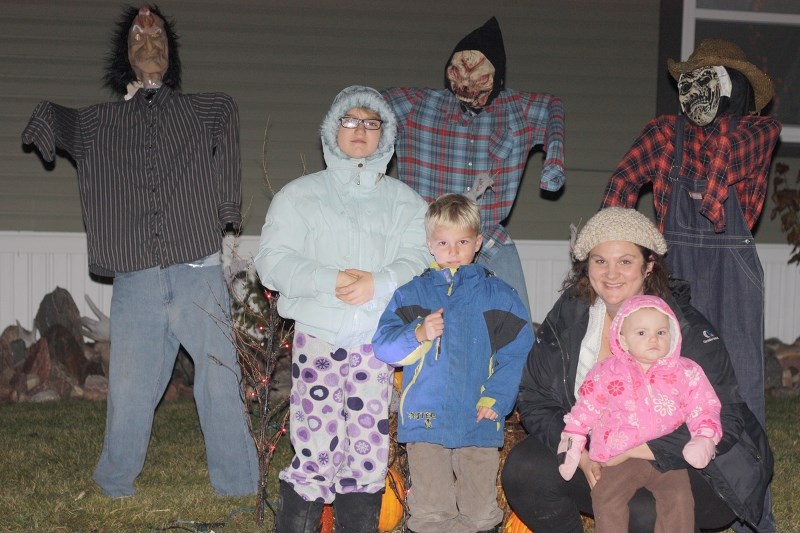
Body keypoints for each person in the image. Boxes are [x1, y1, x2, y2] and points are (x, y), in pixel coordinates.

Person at [20, 5, 258, 498]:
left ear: (171, 54)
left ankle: (237, 486)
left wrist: (227, 203)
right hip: (136, 278)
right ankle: (114, 483)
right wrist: (43, 126)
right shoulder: (99, 123)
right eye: (136, 36)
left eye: (157, 36)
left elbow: (230, 112)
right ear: (125, 56)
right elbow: (54, 120)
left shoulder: (203, 109)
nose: (147, 41)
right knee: (128, 386)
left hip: (198, 269)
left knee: (219, 378)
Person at [500, 207, 773, 533]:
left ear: (649, 265)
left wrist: (631, 450)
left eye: (625, 261)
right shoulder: (571, 314)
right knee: (523, 469)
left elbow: (726, 418)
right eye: (600, 260)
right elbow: (535, 395)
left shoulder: (680, 326)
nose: (611, 273)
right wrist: (582, 453)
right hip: (601, 453)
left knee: (642, 510)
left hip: (692, 466)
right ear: (586, 265)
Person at [601, 41, 781, 531]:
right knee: (665, 378)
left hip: (732, 270)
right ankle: (681, 491)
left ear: (735, 91)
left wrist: (717, 106)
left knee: (739, 387)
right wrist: (614, 246)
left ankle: (750, 515)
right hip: (673, 266)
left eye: (713, 81)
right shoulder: (662, 131)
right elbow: (621, 183)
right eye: (695, 81)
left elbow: (720, 179)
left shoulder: (759, 131)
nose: (699, 93)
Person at [254, 85, 429, 533]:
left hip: (375, 344)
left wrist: (378, 282)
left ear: (385, 136)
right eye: (350, 121)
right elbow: (273, 262)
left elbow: (418, 259)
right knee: (315, 446)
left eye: (372, 123)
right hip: (320, 338)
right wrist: (329, 279)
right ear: (333, 129)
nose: (360, 131)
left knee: (367, 450)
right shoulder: (299, 196)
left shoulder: (406, 202)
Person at [382, 16, 566, 316]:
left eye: (479, 76)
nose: (467, 83)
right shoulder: (417, 105)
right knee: (407, 319)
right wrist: (363, 168)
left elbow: (552, 107)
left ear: (498, 78)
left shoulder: (517, 110)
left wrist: (553, 167)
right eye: (459, 72)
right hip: (427, 240)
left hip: (487, 238)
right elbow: (365, 106)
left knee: (515, 321)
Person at [372, 193, 534, 533]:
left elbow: (518, 351)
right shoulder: (411, 294)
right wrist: (418, 332)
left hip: (478, 413)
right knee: (431, 506)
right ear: (430, 245)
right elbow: (383, 346)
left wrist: (497, 398)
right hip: (424, 415)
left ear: (477, 243)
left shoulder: (498, 295)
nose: (453, 251)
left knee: (478, 507)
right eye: (444, 242)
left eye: (462, 241)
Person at [558, 294, 722, 533]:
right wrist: (572, 442)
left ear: (673, 334)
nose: (653, 339)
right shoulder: (606, 372)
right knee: (606, 495)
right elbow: (584, 410)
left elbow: (704, 406)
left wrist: (704, 436)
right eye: (642, 333)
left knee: (679, 499)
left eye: (661, 332)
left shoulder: (686, 372)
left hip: (665, 457)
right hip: (619, 455)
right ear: (623, 340)